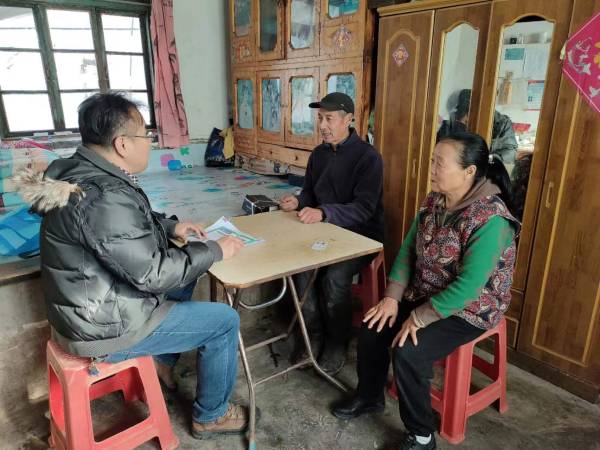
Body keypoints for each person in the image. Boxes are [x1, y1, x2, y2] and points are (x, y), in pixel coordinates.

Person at [14, 92, 249, 439]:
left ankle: (162, 364)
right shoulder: (104, 195)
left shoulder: (77, 171)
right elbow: (152, 274)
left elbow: (120, 228)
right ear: (122, 144)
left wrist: (170, 227)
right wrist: (214, 250)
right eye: (145, 135)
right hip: (104, 327)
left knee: (186, 274)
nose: (149, 142)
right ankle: (211, 416)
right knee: (224, 321)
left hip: (91, 306)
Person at [331, 131, 519, 450]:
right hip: (426, 293)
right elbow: (408, 251)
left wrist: (418, 318)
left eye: (439, 163)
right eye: (432, 161)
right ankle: (369, 396)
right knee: (373, 326)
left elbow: (469, 287)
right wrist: (392, 298)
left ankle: (422, 435)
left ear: (469, 172)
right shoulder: (435, 200)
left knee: (410, 353)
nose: (431, 169)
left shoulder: (491, 219)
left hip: (470, 308)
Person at [279, 92, 384, 375]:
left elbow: (364, 208)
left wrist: (324, 212)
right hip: (324, 232)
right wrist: (298, 201)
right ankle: (311, 336)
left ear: (348, 119)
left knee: (334, 277)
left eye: (329, 119)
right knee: (302, 269)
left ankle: (337, 343)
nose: (322, 126)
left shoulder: (368, 157)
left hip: (361, 237)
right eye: (320, 119)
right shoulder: (319, 154)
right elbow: (310, 192)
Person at [437, 89, 518, 164]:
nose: (467, 121)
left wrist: (488, 159)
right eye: (464, 119)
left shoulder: (502, 122)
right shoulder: (453, 122)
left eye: (469, 115)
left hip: (489, 168)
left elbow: (511, 153)